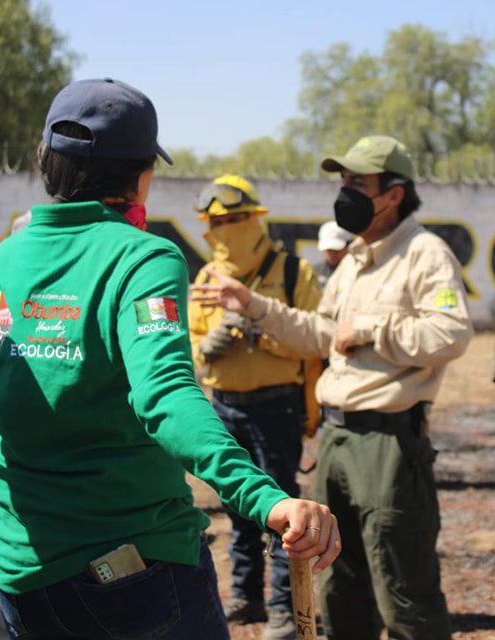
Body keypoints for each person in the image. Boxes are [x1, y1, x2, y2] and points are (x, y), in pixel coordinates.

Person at [0, 78, 340, 640]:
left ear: (47, 159)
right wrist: (265, 498)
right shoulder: (145, 258)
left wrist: (18, 535)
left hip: (22, 578)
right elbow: (165, 395)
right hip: (134, 574)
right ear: (141, 176)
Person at [193, 134, 473, 640]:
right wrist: (253, 305)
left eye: (358, 183)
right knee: (339, 585)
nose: (345, 192)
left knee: (404, 590)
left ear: (393, 193)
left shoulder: (424, 254)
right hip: (337, 441)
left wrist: (371, 330)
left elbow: (451, 333)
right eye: (343, 181)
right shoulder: (357, 259)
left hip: (387, 442)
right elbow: (321, 334)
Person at [190, 174, 322, 638]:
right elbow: (192, 347)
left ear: (256, 218)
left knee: (284, 510)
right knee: (237, 507)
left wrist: (259, 329)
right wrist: (210, 345)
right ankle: (246, 594)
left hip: (276, 407)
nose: (228, 227)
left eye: (238, 218)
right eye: (218, 221)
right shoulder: (206, 279)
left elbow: (314, 341)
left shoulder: (292, 273)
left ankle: (285, 606)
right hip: (225, 405)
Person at [314, 220, 353, 286]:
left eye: (336, 250)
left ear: (348, 247)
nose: (331, 255)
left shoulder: (357, 272)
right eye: (328, 250)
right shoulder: (315, 272)